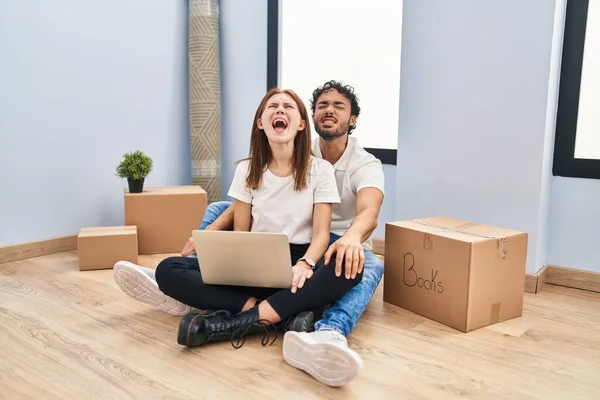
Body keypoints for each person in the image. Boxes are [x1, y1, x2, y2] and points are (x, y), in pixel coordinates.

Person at [114, 80, 385, 387]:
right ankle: (279, 313)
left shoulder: (351, 165)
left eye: (338, 106)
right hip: (262, 248)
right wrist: (212, 239)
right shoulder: (262, 161)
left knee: (359, 264)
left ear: (352, 119)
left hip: (326, 244)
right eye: (322, 105)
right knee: (192, 241)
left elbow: (364, 216)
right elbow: (243, 224)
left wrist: (327, 252)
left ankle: (316, 329)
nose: (329, 110)